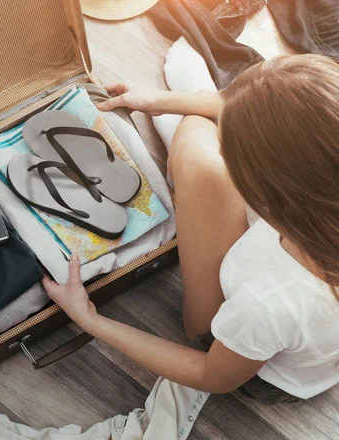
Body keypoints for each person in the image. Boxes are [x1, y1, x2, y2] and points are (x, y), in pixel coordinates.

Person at [42, 54, 339, 404]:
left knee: (197, 145)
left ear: (264, 195)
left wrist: (89, 319)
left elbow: (210, 375)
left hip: (248, 360)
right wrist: (161, 101)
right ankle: (205, 139)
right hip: (299, 327)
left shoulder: (269, 305)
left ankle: (188, 163)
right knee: (202, 132)